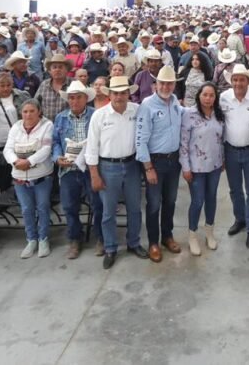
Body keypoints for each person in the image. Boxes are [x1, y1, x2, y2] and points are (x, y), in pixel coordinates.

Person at [80, 75, 148, 269]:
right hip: (107, 167)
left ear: (128, 94)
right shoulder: (99, 115)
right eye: (115, 93)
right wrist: (94, 175)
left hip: (132, 165)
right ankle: (110, 247)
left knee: (134, 208)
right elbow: (91, 148)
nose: (119, 97)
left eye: (123, 93)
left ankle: (133, 243)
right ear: (109, 94)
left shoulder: (137, 110)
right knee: (108, 211)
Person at [136, 65, 184, 263]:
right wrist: (148, 168)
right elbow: (140, 140)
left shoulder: (175, 102)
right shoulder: (147, 105)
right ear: (156, 84)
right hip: (155, 162)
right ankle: (153, 242)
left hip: (174, 160)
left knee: (170, 201)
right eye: (162, 83)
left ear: (174, 85)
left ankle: (167, 236)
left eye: (169, 83)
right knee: (154, 203)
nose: (166, 87)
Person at [51, 81, 99, 260]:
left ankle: (100, 237)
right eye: (71, 98)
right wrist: (57, 157)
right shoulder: (61, 118)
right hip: (69, 169)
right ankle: (75, 239)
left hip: (90, 168)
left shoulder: (95, 115)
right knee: (69, 206)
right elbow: (55, 141)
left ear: (86, 98)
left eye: (79, 97)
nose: (75, 101)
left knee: (97, 204)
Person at [221, 65, 249, 248]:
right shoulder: (223, 98)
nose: (238, 83)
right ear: (231, 81)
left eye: (241, 79)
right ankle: (240, 219)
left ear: (248, 81)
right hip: (230, 151)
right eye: (235, 79)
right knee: (235, 190)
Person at [4, 98, 54, 259]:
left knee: (43, 207)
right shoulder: (16, 127)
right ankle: (31, 239)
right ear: (21, 113)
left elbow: (46, 149)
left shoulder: (47, 125)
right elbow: (8, 149)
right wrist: (15, 161)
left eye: (32, 111)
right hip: (19, 177)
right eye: (25, 111)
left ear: (39, 111)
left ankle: (43, 239)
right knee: (26, 209)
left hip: (41, 176)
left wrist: (29, 162)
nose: (28, 114)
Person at [180, 83, 226, 256]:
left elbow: (222, 139)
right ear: (199, 96)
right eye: (205, 95)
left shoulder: (219, 114)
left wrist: (223, 159)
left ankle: (209, 232)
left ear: (215, 97)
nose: (208, 98)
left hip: (214, 166)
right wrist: (186, 167)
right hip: (196, 167)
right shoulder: (189, 114)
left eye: (211, 95)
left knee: (211, 198)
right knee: (197, 201)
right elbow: (183, 143)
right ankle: (192, 235)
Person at [35, 54, 70, 119]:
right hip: (46, 123)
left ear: (66, 70)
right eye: (54, 67)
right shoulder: (44, 85)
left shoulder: (73, 84)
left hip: (67, 123)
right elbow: (35, 104)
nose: (57, 70)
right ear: (50, 71)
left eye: (60, 67)